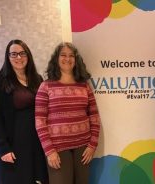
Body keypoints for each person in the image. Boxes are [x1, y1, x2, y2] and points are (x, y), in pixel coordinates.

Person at [35, 42, 101, 184]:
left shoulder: (84, 85)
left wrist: (92, 145)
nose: (68, 58)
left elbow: (94, 117)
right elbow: (40, 121)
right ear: (56, 59)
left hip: (83, 148)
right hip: (57, 149)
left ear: (76, 60)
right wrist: (49, 151)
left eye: (71, 56)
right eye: (63, 55)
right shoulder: (45, 86)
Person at [0, 39, 48, 184]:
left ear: (28, 55)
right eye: (13, 54)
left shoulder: (37, 79)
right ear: (8, 57)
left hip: (35, 144)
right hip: (12, 145)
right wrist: (3, 148)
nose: (19, 58)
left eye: (22, 53)